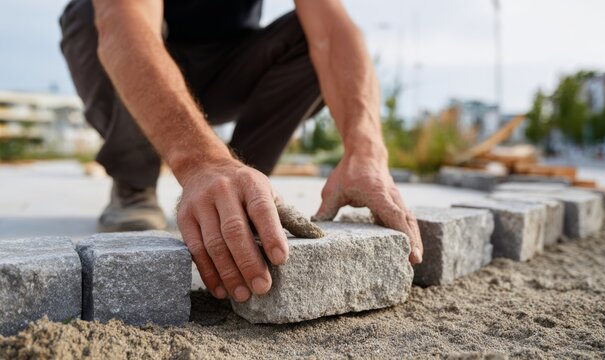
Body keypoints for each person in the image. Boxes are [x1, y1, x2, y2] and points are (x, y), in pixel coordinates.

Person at [59, 0, 422, 303]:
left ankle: (240, 189)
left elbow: (331, 31)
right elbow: (123, 22)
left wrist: (366, 152)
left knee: (305, 34)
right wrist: (201, 162)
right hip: (140, 57)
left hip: (228, 68)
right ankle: (133, 183)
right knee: (89, 11)